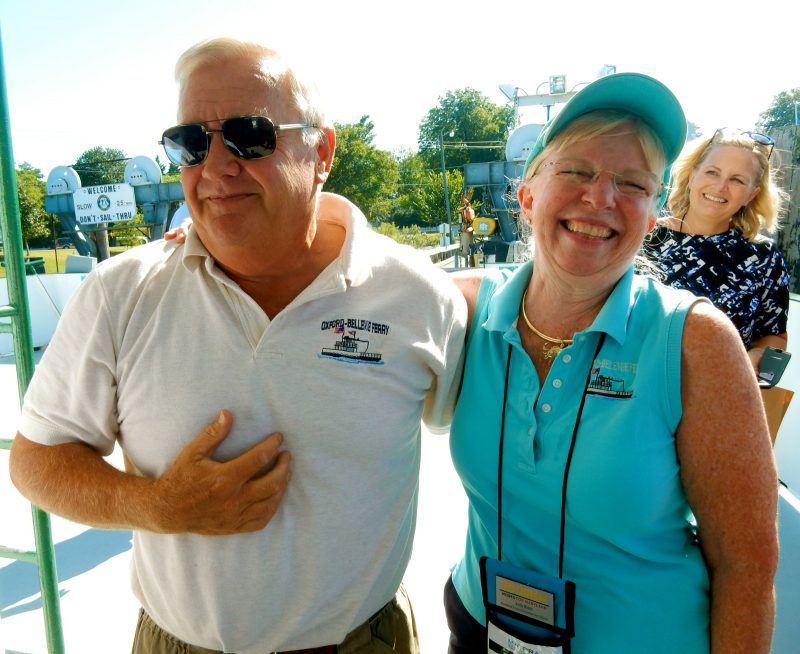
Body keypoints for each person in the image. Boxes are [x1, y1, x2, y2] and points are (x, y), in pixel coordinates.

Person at [9, 37, 466, 654]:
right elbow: (36, 461)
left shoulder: (418, 297)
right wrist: (156, 506)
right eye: (191, 143)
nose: (217, 166)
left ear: (322, 151)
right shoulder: (121, 293)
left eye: (250, 135)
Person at [443, 73, 779, 653]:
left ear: (652, 217)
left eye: (632, 183)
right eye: (575, 171)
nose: (601, 199)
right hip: (480, 628)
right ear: (526, 195)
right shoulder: (466, 309)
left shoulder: (694, 343)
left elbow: (746, 568)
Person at [642, 129, 790, 369]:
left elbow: (775, 336)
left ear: (751, 195)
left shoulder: (763, 257)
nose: (721, 187)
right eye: (712, 172)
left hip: (716, 394)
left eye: (737, 180)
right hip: (633, 389)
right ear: (692, 176)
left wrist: (748, 362)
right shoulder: (643, 237)